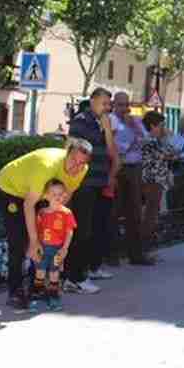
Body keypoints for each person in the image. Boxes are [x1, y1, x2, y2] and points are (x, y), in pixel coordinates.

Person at [0, 139, 92, 311]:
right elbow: (28, 205)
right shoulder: (46, 166)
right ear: (66, 153)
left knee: (46, 238)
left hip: (42, 192)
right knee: (20, 240)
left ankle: (36, 287)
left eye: (81, 163)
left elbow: (65, 195)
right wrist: (33, 241)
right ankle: (15, 291)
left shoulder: (81, 170)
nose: (75, 167)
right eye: (72, 161)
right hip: (12, 188)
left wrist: (58, 227)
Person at [65, 89, 113, 293]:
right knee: (81, 231)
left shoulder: (101, 122)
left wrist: (107, 129)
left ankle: (84, 271)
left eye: (108, 104)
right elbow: (74, 148)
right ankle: (74, 277)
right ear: (92, 101)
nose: (107, 108)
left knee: (93, 229)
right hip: (84, 183)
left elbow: (110, 150)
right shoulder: (81, 120)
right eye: (103, 103)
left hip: (98, 183)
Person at [109, 91, 149, 265]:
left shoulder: (136, 121)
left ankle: (136, 255)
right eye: (121, 105)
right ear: (113, 104)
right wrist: (130, 144)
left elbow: (147, 140)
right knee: (114, 213)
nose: (124, 108)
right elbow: (115, 147)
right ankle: (112, 255)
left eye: (127, 105)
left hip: (134, 169)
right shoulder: (110, 120)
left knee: (134, 212)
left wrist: (135, 128)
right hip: (118, 169)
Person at [137, 111, 175, 264]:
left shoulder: (153, 140)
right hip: (151, 182)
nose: (163, 129)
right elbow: (171, 153)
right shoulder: (150, 141)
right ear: (152, 126)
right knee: (149, 218)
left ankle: (148, 251)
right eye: (161, 125)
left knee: (152, 217)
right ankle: (144, 252)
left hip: (155, 181)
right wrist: (166, 138)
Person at [33, 179, 76, 311]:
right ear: (46, 195)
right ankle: (37, 297)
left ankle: (54, 298)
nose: (57, 197)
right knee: (39, 272)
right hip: (43, 248)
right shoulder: (41, 213)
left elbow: (69, 232)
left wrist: (65, 248)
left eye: (60, 194)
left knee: (54, 273)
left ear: (64, 195)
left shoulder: (66, 213)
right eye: (54, 194)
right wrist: (36, 245)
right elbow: (36, 231)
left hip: (57, 250)